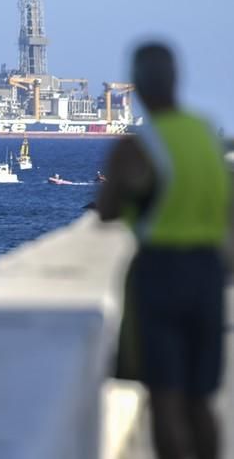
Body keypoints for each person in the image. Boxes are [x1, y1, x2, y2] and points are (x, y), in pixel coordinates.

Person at [97, 42, 230, 459]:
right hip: (208, 272)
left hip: (160, 274)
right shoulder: (208, 132)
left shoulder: (138, 144)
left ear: (135, 87)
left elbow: (107, 211)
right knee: (201, 399)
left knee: (165, 397)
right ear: (177, 79)